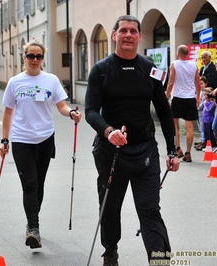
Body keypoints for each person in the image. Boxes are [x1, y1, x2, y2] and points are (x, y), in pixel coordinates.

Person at [85, 15, 180, 266]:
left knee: (150, 210)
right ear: (114, 35)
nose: (128, 35)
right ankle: (111, 251)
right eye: (123, 30)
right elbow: (91, 111)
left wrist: (173, 151)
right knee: (110, 208)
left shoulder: (151, 69)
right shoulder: (101, 69)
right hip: (109, 151)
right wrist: (108, 132)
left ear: (139, 37)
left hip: (145, 152)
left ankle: (160, 260)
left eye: (133, 31)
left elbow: (164, 111)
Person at [0, 39, 82, 249]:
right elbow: (8, 112)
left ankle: (31, 222)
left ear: (43, 59)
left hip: (45, 138)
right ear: (24, 58)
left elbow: (61, 106)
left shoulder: (51, 80)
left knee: (39, 184)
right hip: (22, 139)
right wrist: (4, 140)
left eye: (39, 56)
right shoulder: (15, 82)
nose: (35, 60)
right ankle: (34, 228)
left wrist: (71, 113)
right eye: (31, 56)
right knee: (30, 185)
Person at [166, 44, 201, 162]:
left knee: (174, 124)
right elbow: (198, 83)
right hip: (190, 97)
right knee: (190, 126)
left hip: (177, 97)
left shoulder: (174, 64)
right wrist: (197, 97)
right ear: (187, 54)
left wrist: (166, 96)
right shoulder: (193, 64)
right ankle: (188, 153)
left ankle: (178, 148)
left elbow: (171, 83)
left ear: (177, 53)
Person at [194, 76, 208, 151]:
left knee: (203, 128)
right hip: (198, 112)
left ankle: (203, 142)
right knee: (200, 127)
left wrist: (197, 108)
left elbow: (203, 103)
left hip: (202, 112)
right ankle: (202, 140)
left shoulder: (205, 92)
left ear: (205, 84)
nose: (200, 85)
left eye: (201, 83)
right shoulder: (198, 92)